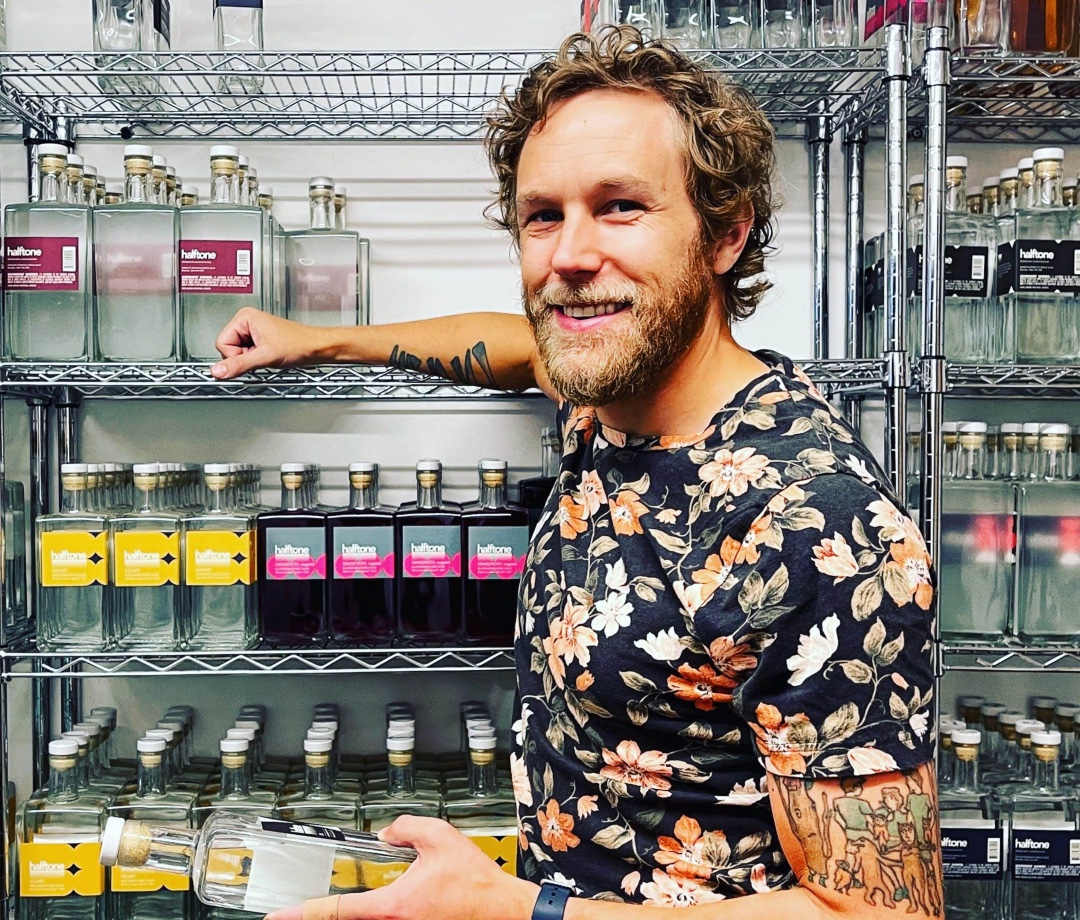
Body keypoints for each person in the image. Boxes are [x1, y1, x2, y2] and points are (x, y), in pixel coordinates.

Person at [213, 26, 940, 920]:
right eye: (543, 215)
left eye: (622, 206)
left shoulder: (814, 527)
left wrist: (518, 912)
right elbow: (519, 347)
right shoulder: (614, 388)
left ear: (725, 234)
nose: (568, 257)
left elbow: (881, 915)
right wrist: (320, 341)